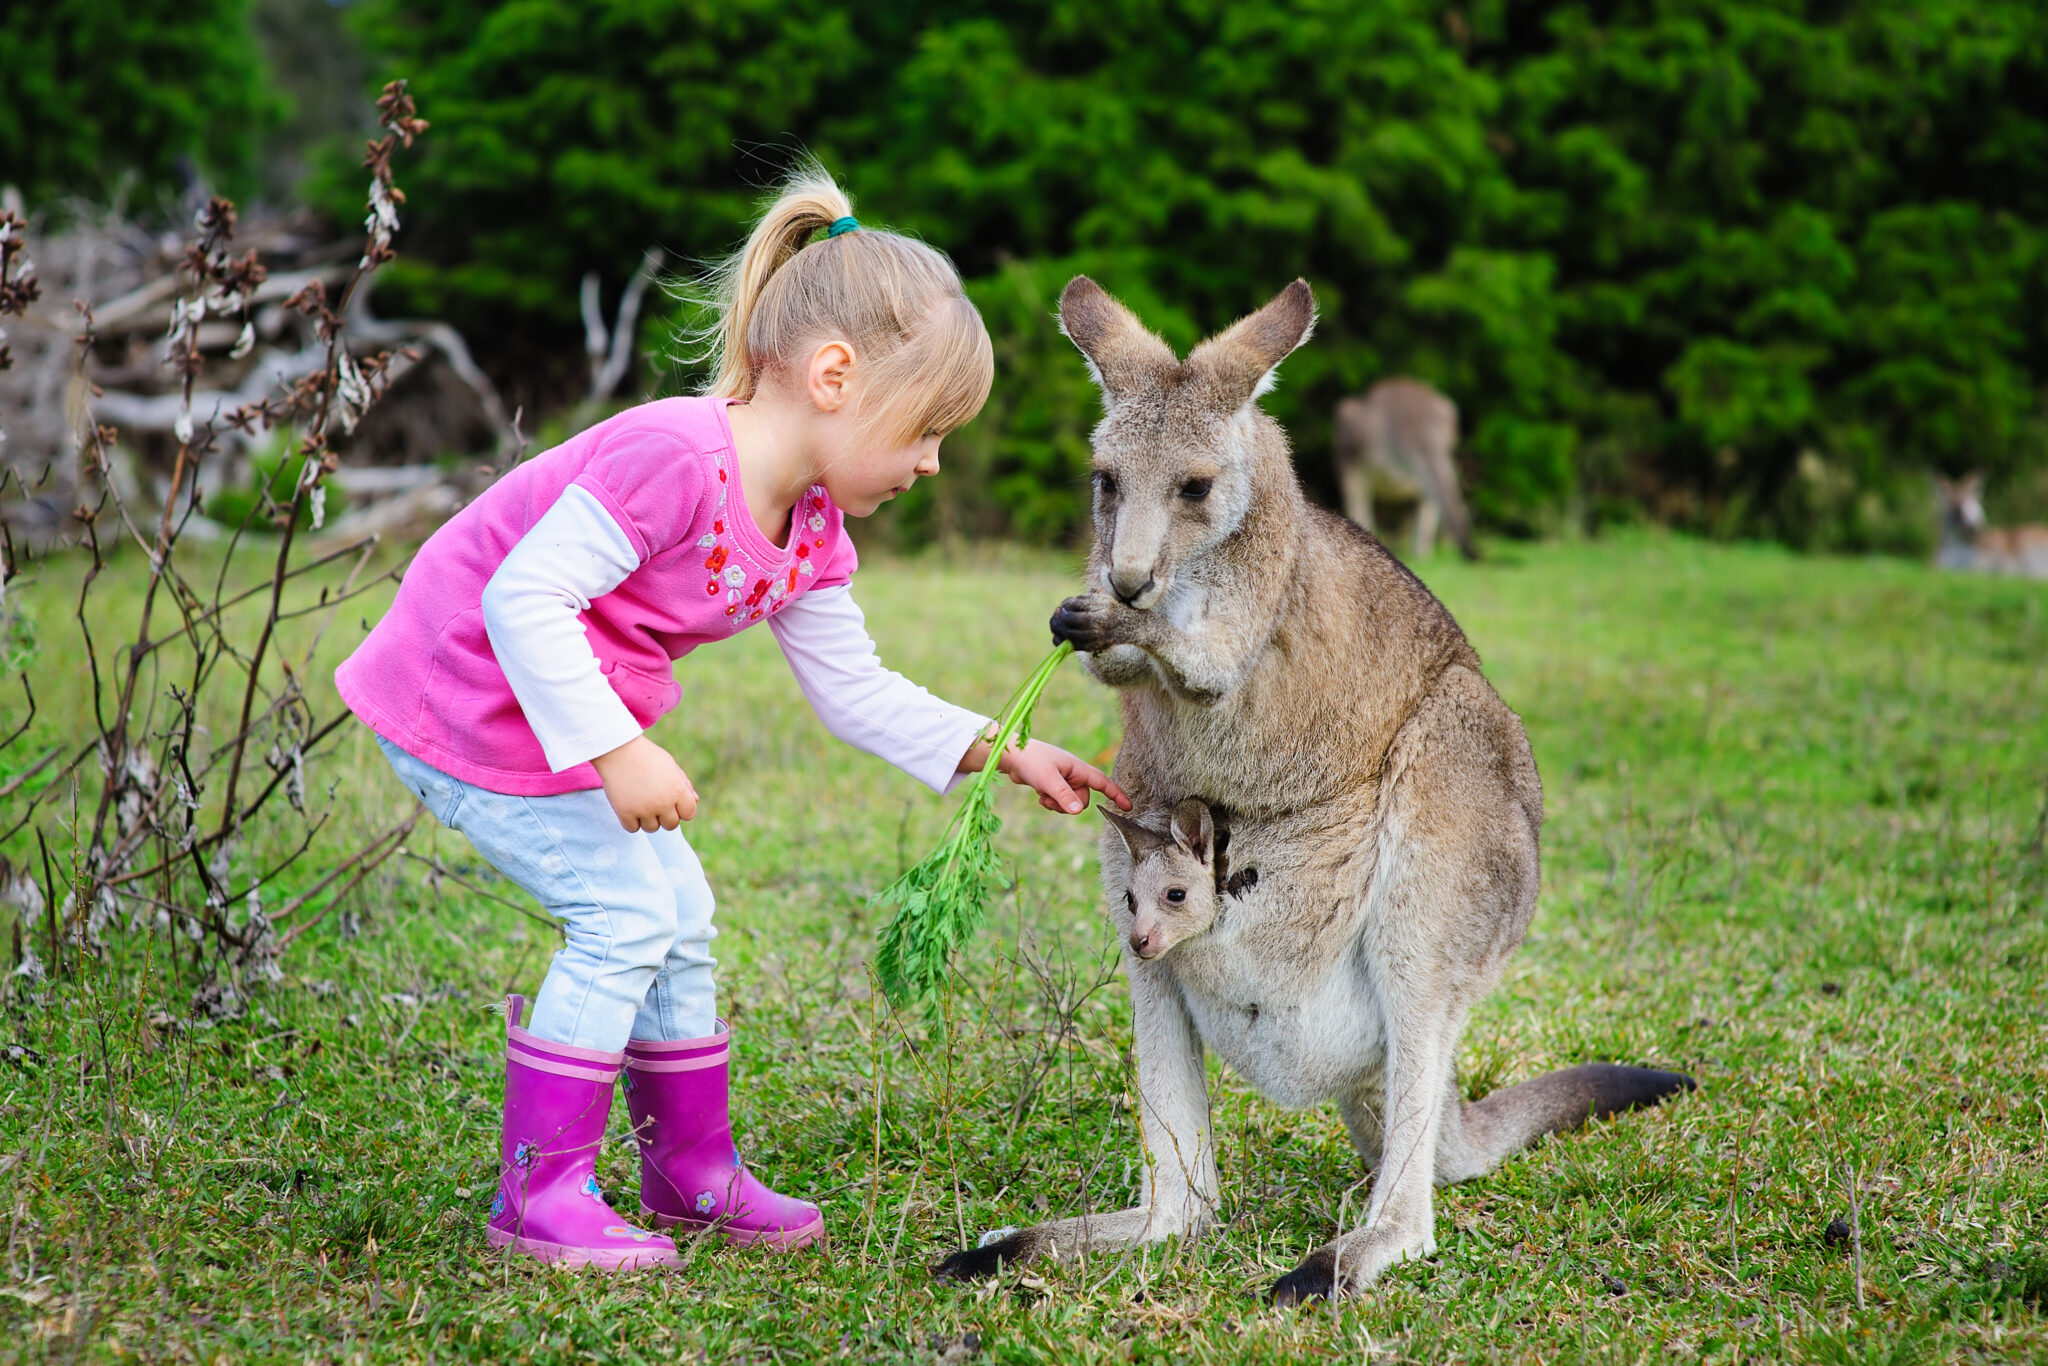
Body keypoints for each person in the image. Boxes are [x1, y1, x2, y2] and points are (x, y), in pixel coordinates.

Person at [334, 164, 1128, 1270]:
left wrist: (1004, 750)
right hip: (459, 689)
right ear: (836, 375)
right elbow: (522, 597)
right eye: (927, 430)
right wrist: (617, 747)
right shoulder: (672, 457)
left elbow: (854, 688)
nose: (933, 462)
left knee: (678, 906)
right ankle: (541, 1195)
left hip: (545, 706)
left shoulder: (809, 530)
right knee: (621, 910)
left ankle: (687, 1173)